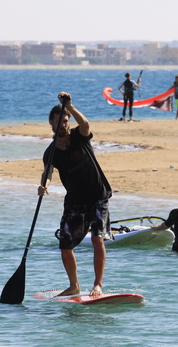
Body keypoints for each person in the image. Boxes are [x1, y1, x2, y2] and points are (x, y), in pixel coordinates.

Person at [38, 92, 113, 296]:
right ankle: (74, 285)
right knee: (65, 245)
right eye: (59, 121)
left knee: (98, 238)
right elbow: (47, 173)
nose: (63, 124)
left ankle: (97, 284)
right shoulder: (51, 151)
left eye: (65, 121)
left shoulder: (80, 137)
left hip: (98, 195)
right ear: (51, 124)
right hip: (75, 201)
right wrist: (43, 185)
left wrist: (69, 107)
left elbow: (86, 124)